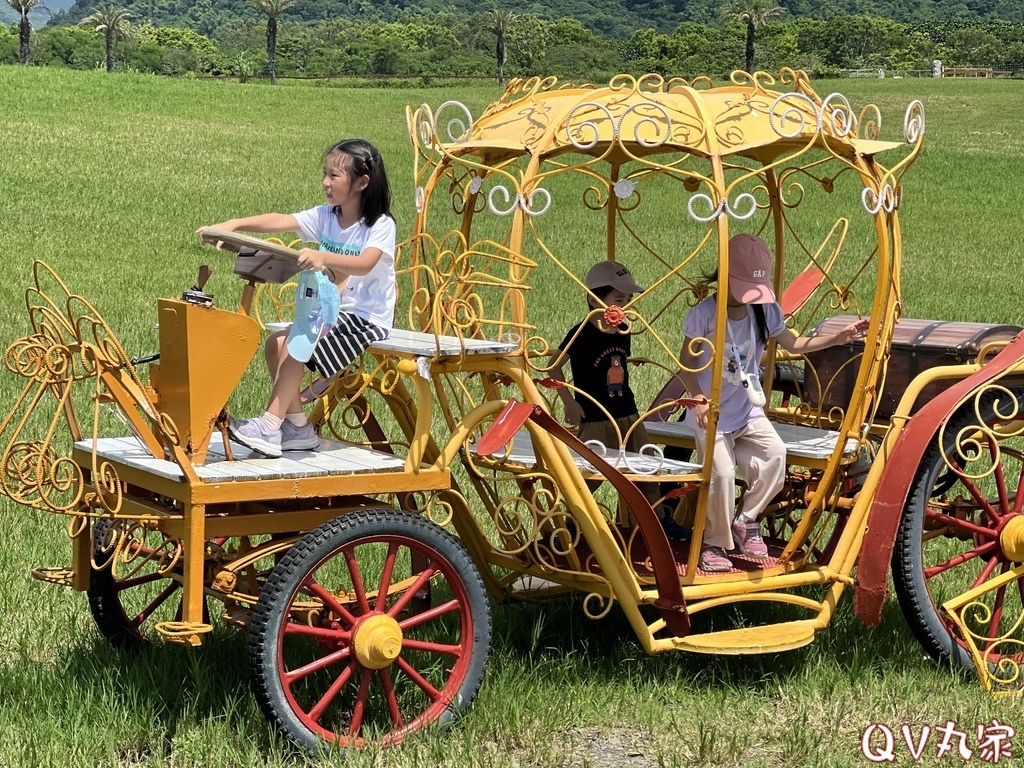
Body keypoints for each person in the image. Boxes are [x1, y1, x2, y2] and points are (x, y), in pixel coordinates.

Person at [679, 234, 868, 572]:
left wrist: (838, 337)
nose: (750, 298)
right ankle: (714, 543)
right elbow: (686, 364)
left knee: (775, 457)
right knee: (721, 474)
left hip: (747, 411)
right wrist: (698, 400)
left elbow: (794, 343)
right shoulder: (704, 315)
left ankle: (747, 519)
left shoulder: (764, 312)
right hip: (712, 415)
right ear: (724, 277)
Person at [197, 138, 396, 458]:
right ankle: (298, 428)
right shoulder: (328, 216)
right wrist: (234, 224)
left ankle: (269, 424)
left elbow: (365, 263)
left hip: (364, 318)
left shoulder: (379, 225)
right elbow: (282, 220)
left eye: (334, 176)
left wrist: (324, 258)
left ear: (361, 182)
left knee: (295, 344)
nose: (325, 183)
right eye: (325, 174)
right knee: (276, 344)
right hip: (332, 311)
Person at [548, 261, 688, 541]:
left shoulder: (623, 329)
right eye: (618, 299)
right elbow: (553, 366)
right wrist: (568, 401)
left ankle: (658, 523)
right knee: (591, 475)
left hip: (627, 412)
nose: (624, 306)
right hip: (595, 415)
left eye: (628, 300)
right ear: (594, 299)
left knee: (647, 467)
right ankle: (574, 523)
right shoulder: (582, 332)